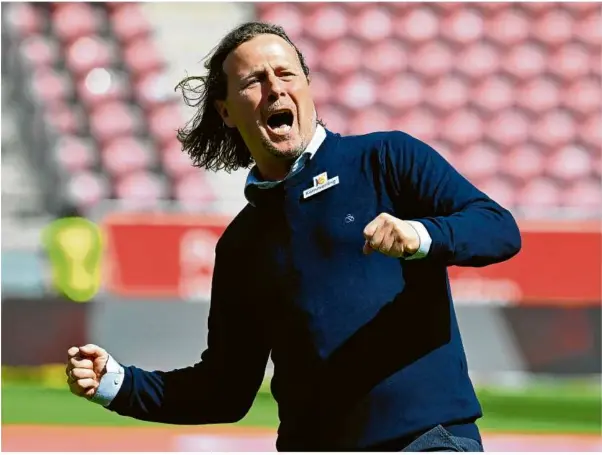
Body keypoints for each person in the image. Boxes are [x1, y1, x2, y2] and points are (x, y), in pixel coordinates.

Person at [66, 21, 521, 452]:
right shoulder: (240, 244)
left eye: (286, 73)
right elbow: (225, 390)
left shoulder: (387, 158)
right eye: (254, 81)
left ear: (307, 86)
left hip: (427, 440)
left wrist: (422, 235)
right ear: (226, 110)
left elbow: (498, 228)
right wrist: (119, 384)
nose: (276, 88)